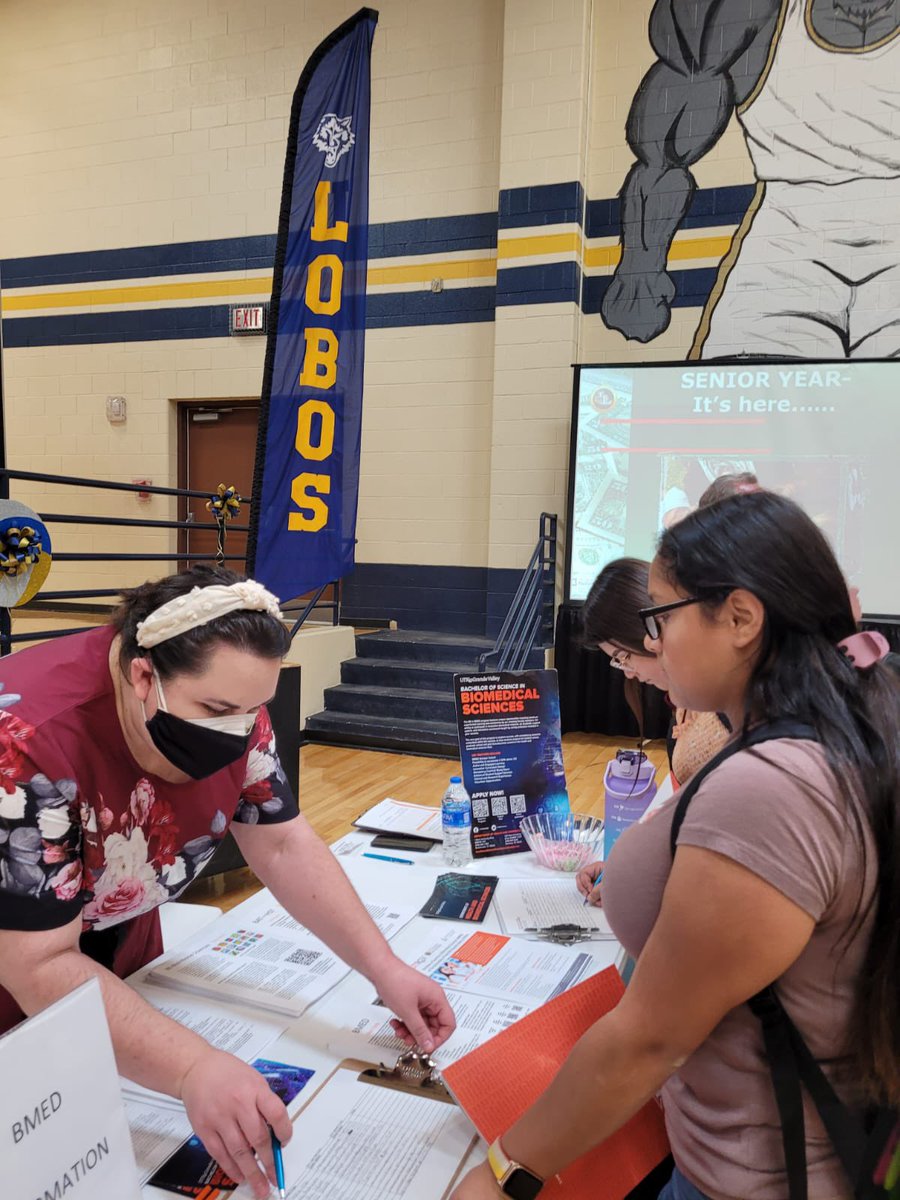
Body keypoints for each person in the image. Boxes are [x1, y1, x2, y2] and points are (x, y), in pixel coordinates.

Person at [451, 491, 899, 1200]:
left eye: (662, 616)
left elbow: (651, 1039)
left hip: (754, 1172)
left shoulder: (774, 785)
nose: (652, 642)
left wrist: (503, 1173)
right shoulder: (841, 723)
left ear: (742, 618)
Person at [0, 566, 456, 1199]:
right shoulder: (25, 740)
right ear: (142, 677)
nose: (238, 731)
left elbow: (283, 841)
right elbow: (38, 964)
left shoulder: (233, 703)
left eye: (252, 712)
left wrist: (384, 967)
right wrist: (189, 1068)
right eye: (216, 711)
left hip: (116, 949)